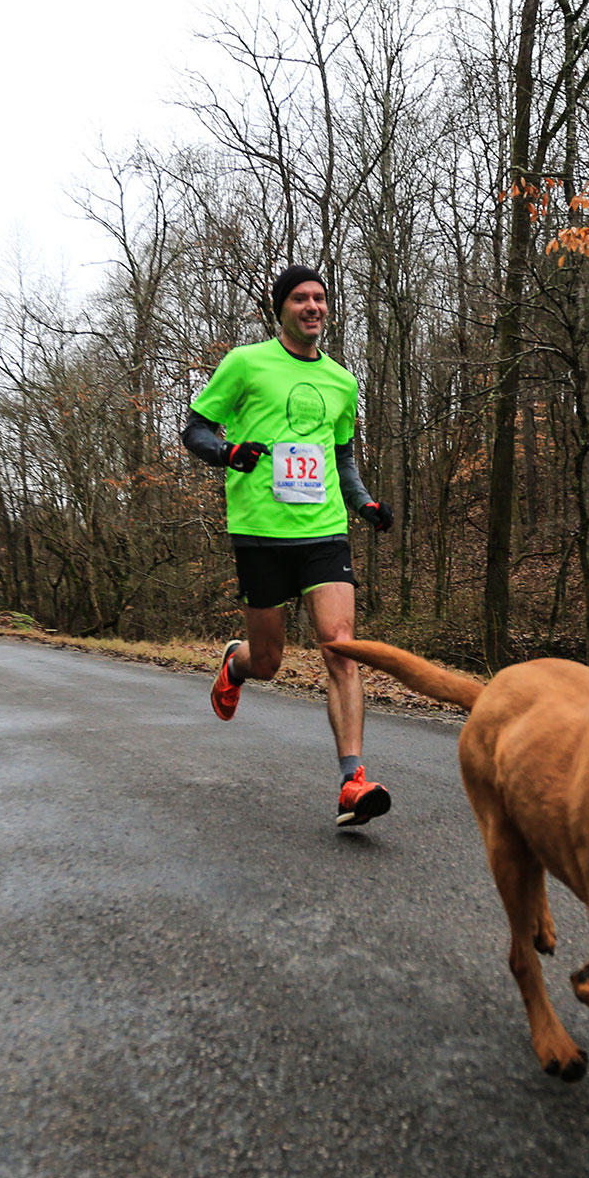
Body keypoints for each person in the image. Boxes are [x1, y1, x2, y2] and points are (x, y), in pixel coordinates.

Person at [181, 264, 395, 827]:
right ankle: (237, 663)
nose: (312, 307)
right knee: (271, 661)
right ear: (280, 309)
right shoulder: (246, 363)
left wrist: (364, 503)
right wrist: (228, 453)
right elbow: (195, 429)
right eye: (300, 298)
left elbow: (341, 456)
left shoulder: (343, 382)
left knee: (339, 647)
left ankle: (353, 781)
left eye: (320, 299)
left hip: (323, 531)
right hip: (259, 531)